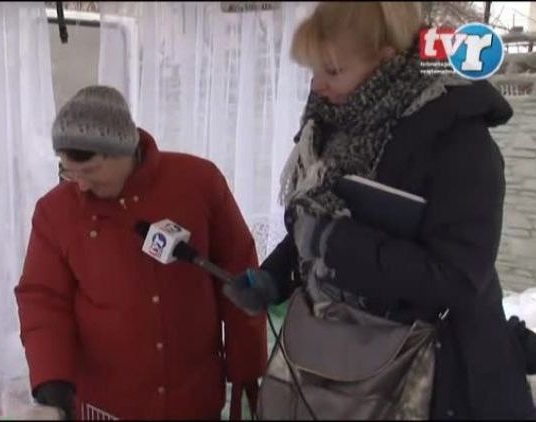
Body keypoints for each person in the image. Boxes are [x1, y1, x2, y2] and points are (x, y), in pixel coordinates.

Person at [222, 2, 536, 419]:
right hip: (337, 369)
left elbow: (457, 278)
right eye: (313, 70)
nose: (317, 86)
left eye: (333, 71)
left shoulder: (458, 142)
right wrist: (274, 276)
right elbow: (316, 223)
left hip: (437, 380)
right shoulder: (331, 125)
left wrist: (335, 243)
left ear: (386, 58)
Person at [14, 85, 267, 420]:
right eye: (68, 172)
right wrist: (52, 381)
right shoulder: (55, 211)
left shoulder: (198, 183)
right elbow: (43, 300)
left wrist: (246, 365)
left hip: (193, 398)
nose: (81, 185)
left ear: (123, 150)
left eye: (89, 171)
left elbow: (237, 270)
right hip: (105, 404)